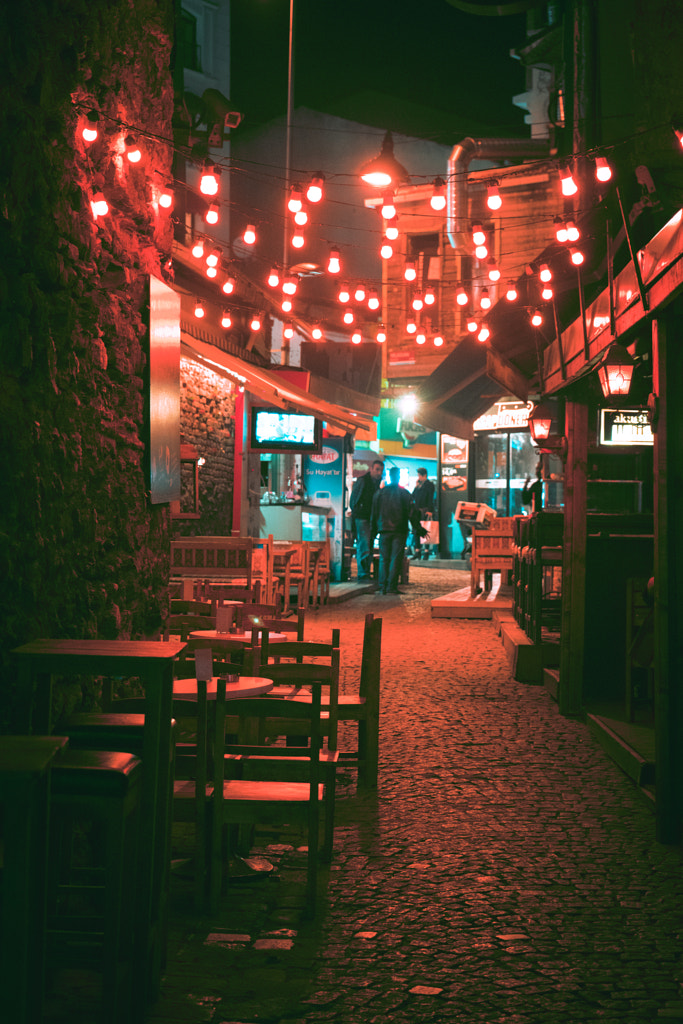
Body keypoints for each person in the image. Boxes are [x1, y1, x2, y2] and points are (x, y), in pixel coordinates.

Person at [371, 466, 412, 595]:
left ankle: (383, 586)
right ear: (398, 477)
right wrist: (418, 528)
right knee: (395, 558)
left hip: (383, 529)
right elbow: (411, 513)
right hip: (399, 530)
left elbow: (374, 513)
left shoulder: (380, 492)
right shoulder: (404, 493)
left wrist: (373, 530)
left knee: (384, 558)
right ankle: (391, 586)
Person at [349, 459, 384, 581]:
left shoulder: (376, 483)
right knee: (364, 545)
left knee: (367, 545)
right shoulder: (364, 481)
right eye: (377, 469)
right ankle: (363, 574)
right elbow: (354, 500)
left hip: (370, 518)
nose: (379, 472)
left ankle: (365, 573)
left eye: (380, 470)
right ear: (371, 469)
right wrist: (357, 511)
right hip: (363, 517)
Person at [409, 467, 436, 560]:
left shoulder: (429, 485)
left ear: (424, 475)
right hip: (417, 511)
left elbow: (430, 498)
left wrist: (430, 510)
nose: (418, 477)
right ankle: (417, 551)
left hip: (425, 510)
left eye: (419, 475)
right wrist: (416, 487)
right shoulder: (419, 485)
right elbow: (412, 496)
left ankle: (426, 551)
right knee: (416, 530)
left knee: (425, 529)